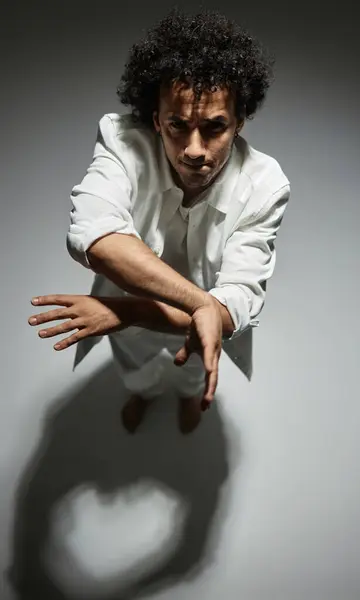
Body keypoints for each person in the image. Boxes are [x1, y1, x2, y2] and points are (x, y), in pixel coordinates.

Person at [28, 8, 291, 434]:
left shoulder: (267, 184)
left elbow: (240, 299)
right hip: (152, 313)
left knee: (192, 367)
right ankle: (144, 392)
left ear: (240, 123)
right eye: (177, 125)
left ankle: (187, 397)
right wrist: (205, 306)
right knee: (133, 363)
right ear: (155, 119)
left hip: (140, 311)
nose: (193, 148)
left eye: (214, 128)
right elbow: (96, 237)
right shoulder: (121, 140)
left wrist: (128, 310)